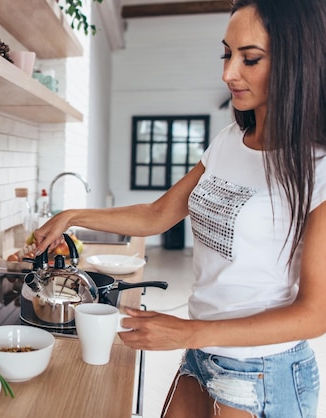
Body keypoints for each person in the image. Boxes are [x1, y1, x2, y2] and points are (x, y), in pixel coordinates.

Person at [33, 0, 326, 416]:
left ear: (299, 61)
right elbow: (158, 214)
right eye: (227, 53)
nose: (228, 73)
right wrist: (71, 216)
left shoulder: (319, 167)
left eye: (250, 58)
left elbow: (316, 314)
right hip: (202, 355)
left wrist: (187, 332)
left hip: (262, 370)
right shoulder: (227, 141)